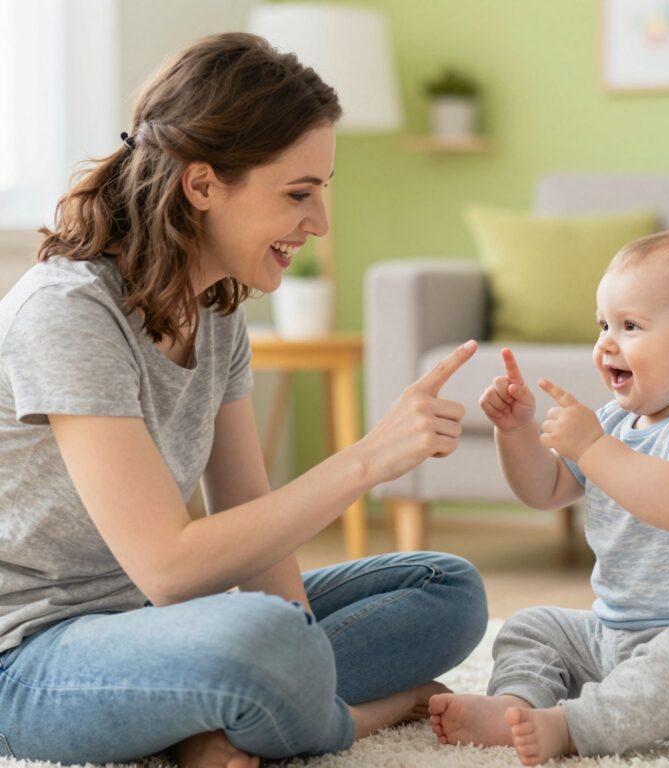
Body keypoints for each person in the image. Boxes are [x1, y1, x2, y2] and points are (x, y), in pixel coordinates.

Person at [0, 33, 487, 766]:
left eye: (322, 190)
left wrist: (293, 641)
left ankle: (224, 715)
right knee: (258, 642)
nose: (319, 222)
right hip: (32, 660)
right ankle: (341, 717)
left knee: (445, 586)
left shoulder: (218, 313)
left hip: (160, 627)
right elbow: (167, 565)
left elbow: (248, 523)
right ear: (201, 185)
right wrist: (365, 462)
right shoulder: (67, 310)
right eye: (298, 193)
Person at [429, 228, 669, 765]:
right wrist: (517, 431)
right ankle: (515, 704)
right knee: (532, 625)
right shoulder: (613, 422)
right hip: (615, 632)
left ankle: (572, 728)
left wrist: (593, 447)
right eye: (603, 325)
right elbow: (545, 489)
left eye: (630, 326)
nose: (606, 343)